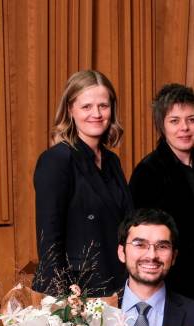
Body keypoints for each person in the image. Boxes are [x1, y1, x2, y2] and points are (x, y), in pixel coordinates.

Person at [33, 70, 133, 296]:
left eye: (103, 106)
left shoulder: (112, 161)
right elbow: (49, 239)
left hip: (116, 280)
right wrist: (63, 298)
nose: (96, 114)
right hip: (77, 289)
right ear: (70, 110)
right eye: (86, 106)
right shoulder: (56, 160)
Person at [129, 84, 194, 304]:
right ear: (162, 126)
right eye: (174, 121)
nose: (184, 128)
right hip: (166, 282)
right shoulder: (148, 171)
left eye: (191, 120)